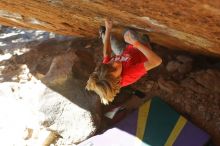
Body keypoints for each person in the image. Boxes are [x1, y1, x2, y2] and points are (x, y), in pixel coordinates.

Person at [86, 19, 162, 105]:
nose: (115, 63)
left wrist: (108, 30)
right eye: (115, 69)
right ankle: (145, 40)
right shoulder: (129, 74)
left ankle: (103, 34)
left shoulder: (106, 69)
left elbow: (106, 52)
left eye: (110, 63)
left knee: (112, 41)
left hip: (125, 53)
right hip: (142, 51)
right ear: (118, 79)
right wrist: (135, 43)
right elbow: (157, 61)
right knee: (128, 32)